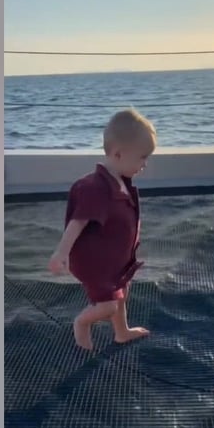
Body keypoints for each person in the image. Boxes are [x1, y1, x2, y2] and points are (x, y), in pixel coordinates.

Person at [48, 108, 156, 350]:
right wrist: (61, 252)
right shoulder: (96, 187)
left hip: (114, 261)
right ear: (118, 154)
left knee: (121, 293)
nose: (145, 164)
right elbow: (78, 221)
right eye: (142, 157)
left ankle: (122, 332)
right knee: (108, 305)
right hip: (95, 263)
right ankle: (82, 323)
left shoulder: (121, 181)